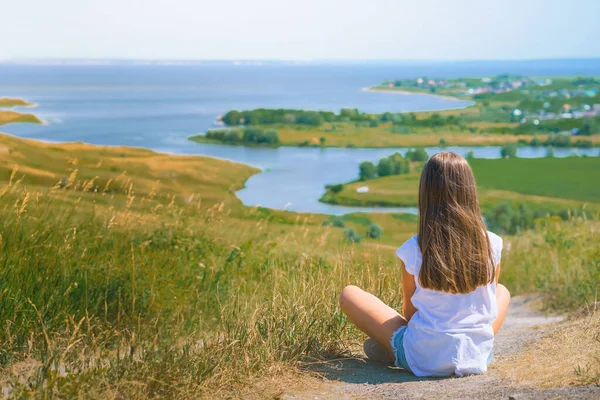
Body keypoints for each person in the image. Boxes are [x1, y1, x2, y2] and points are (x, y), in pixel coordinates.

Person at [339, 152, 510, 377]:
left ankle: (394, 351)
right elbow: (487, 308)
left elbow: (410, 315)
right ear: (470, 191)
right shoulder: (493, 243)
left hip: (425, 356)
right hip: (476, 355)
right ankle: (413, 350)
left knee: (349, 294)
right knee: (502, 292)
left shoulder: (413, 248)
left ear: (426, 193)